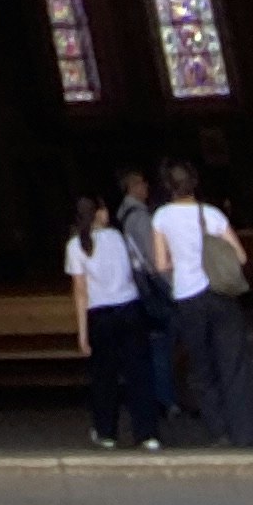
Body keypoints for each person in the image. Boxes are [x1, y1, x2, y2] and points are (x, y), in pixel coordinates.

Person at [149, 160, 253, 447]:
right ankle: (244, 433)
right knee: (233, 365)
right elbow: (240, 256)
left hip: (188, 298)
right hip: (220, 294)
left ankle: (218, 431)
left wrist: (180, 261)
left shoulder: (161, 217)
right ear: (194, 183)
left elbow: (160, 264)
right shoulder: (211, 214)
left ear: (168, 186)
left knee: (202, 367)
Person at [68, 192, 160, 450]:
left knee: (103, 377)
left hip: (99, 314)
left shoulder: (75, 246)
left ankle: (106, 431)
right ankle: (147, 433)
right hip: (129, 307)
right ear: (99, 213)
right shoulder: (118, 237)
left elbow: (80, 292)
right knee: (139, 373)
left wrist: (82, 332)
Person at [114, 162, 176, 416]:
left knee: (157, 343)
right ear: (132, 187)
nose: (146, 187)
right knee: (162, 344)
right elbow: (153, 256)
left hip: (143, 287)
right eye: (142, 183)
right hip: (155, 287)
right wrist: (171, 284)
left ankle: (163, 396)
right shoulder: (139, 218)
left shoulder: (126, 216)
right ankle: (165, 397)